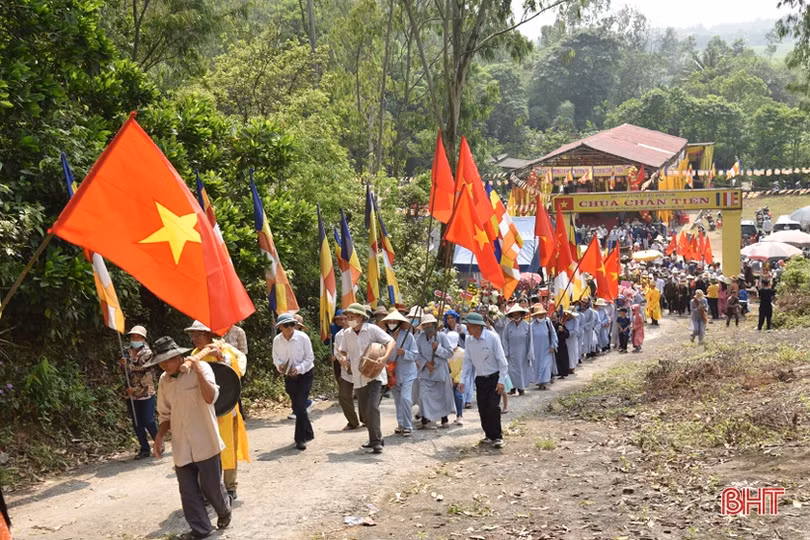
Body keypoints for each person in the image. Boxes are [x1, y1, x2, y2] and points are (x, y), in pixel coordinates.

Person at [150, 337, 231, 540]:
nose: (164, 364)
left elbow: (211, 397)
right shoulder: (164, 380)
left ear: (179, 356)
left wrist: (197, 370)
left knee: (211, 488)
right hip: (181, 444)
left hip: (206, 440)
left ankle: (224, 510)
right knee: (187, 491)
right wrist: (159, 436)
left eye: (167, 359)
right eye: (160, 361)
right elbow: (165, 414)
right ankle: (201, 529)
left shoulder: (202, 367)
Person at [184, 321, 249, 501]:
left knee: (227, 447)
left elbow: (236, 371)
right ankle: (208, 490)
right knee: (205, 450)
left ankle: (230, 487)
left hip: (225, 408)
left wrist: (220, 357)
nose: (195, 338)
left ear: (208, 335)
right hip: (204, 410)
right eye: (193, 335)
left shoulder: (225, 350)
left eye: (199, 335)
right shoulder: (194, 355)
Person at [336, 303, 395, 454]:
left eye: (352, 317)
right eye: (348, 317)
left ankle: (376, 442)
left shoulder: (372, 329)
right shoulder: (346, 334)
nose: (349, 319)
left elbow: (390, 342)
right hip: (358, 376)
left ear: (361, 317)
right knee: (365, 411)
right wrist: (342, 359)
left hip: (375, 375)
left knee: (372, 407)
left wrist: (385, 357)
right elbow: (341, 351)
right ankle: (376, 437)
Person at [458, 313, 508, 449]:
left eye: (468, 325)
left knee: (493, 407)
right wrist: (462, 380)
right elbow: (467, 362)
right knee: (483, 408)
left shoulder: (492, 338)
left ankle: (497, 436)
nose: (466, 328)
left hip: (494, 377)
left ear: (476, 326)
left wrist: (501, 380)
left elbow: (502, 361)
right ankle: (488, 435)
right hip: (480, 379)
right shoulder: (469, 340)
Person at [272, 313, 315, 450]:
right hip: (289, 376)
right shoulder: (277, 341)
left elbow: (309, 359)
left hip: (305, 374)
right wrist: (279, 365)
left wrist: (299, 368)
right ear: (280, 327)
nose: (290, 327)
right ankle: (308, 432)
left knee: (301, 406)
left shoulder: (303, 337)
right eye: (286, 325)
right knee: (297, 406)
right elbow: (276, 358)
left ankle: (300, 439)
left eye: (292, 324)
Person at [121, 325, 158, 460]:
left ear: (143, 338)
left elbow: (149, 374)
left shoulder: (148, 354)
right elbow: (123, 372)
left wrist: (136, 389)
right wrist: (122, 365)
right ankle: (144, 448)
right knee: (137, 422)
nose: (134, 338)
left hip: (145, 392)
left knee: (148, 420)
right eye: (132, 336)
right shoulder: (125, 352)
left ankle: (158, 442)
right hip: (130, 393)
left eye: (137, 336)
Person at [415, 314, 456, 429]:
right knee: (424, 396)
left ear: (433, 324)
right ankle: (425, 419)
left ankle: (444, 419)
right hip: (426, 372)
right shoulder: (420, 338)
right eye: (425, 325)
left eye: (429, 324)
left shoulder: (442, 336)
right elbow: (417, 354)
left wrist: (437, 349)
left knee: (442, 395)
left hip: (440, 371)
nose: (427, 326)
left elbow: (449, 353)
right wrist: (426, 364)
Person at [383, 310, 419, 435]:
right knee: (397, 399)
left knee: (405, 398)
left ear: (399, 322)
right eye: (389, 321)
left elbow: (415, 355)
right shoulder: (385, 337)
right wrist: (385, 367)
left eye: (394, 321)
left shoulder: (408, 336)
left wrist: (404, 353)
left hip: (408, 372)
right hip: (392, 373)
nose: (392, 323)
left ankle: (408, 426)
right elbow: (381, 354)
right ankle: (401, 423)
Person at [330, 310, 361, 430]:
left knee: (362, 396)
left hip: (360, 369)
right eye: (341, 319)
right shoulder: (338, 336)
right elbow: (337, 352)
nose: (343, 322)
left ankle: (366, 419)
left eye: (346, 319)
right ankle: (353, 422)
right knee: (344, 397)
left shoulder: (359, 332)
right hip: (346, 370)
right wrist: (342, 360)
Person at [443, 310, 473, 408]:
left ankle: (468, 399)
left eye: (452, 318)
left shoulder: (463, 327)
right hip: (452, 357)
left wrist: (462, 334)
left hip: (464, 354)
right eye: (448, 318)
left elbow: (471, 339)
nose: (450, 320)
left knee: (467, 377)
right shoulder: (445, 331)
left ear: (456, 318)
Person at [503, 305, 533, 395]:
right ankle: (512, 388)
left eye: (517, 314)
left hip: (523, 352)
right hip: (511, 352)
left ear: (521, 314)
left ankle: (521, 388)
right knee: (511, 370)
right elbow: (505, 339)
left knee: (521, 370)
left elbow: (530, 340)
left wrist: (529, 353)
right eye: (514, 314)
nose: (516, 316)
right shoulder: (508, 326)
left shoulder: (527, 326)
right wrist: (506, 352)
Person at [530, 305, 557, 390]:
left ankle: (544, 382)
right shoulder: (531, 325)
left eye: (542, 314)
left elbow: (553, 334)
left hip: (546, 349)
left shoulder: (547, 323)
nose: (541, 316)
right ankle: (539, 382)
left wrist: (553, 345)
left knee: (546, 365)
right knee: (537, 366)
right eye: (539, 314)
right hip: (536, 350)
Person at [552, 311, 571, 378]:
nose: (554, 319)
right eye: (552, 318)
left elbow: (567, 335)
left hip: (561, 345)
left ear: (558, 317)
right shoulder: (550, 325)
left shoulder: (561, 325)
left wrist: (562, 331)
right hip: (553, 345)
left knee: (562, 359)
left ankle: (563, 373)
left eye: (555, 318)